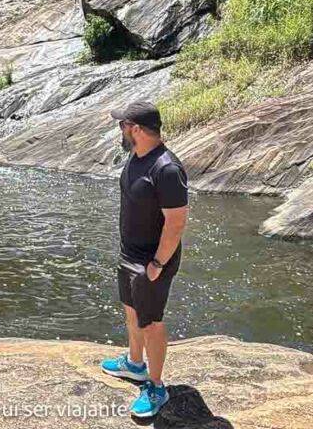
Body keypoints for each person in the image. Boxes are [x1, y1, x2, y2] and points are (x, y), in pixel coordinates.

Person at [100, 100, 189, 418]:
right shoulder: (136, 157)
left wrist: (158, 264)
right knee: (131, 311)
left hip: (152, 260)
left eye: (122, 125)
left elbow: (176, 222)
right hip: (130, 253)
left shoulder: (166, 168)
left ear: (136, 129)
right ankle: (134, 364)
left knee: (150, 322)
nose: (120, 131)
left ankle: (155, 386)